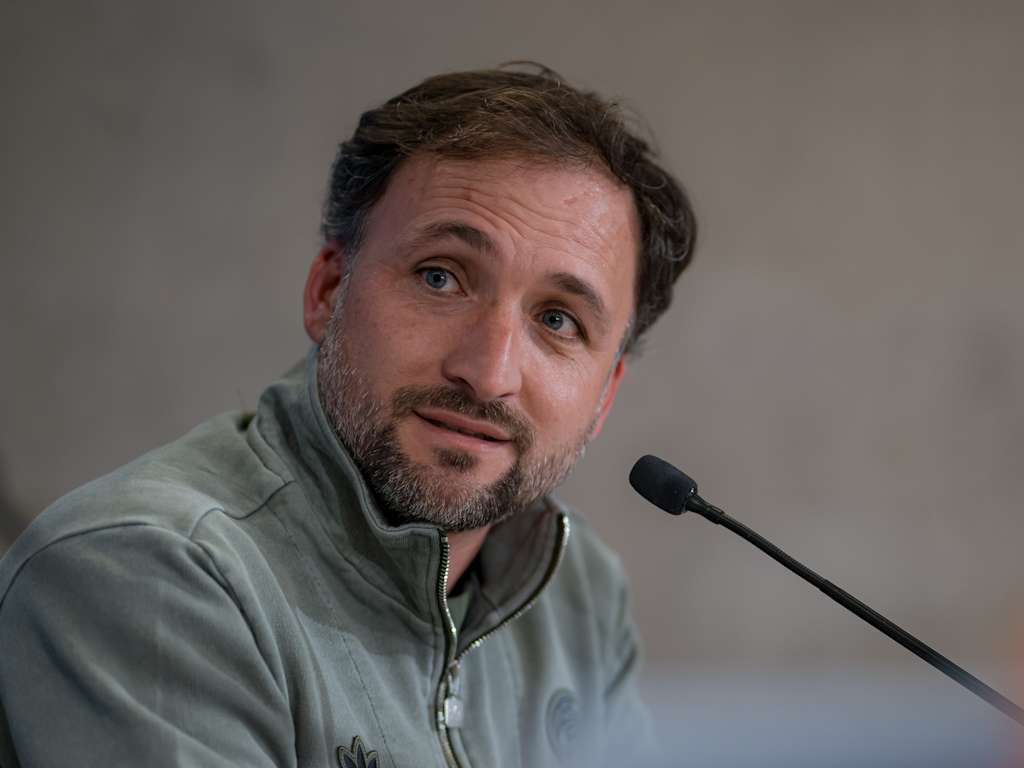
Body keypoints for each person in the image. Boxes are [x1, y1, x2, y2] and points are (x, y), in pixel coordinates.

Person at [0, 64, 695, 767]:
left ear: (604, 394)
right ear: (329, 290)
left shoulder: (580, 594)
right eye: (441, 277)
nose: (488, 374)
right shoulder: (146, 572)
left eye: (557, 319)